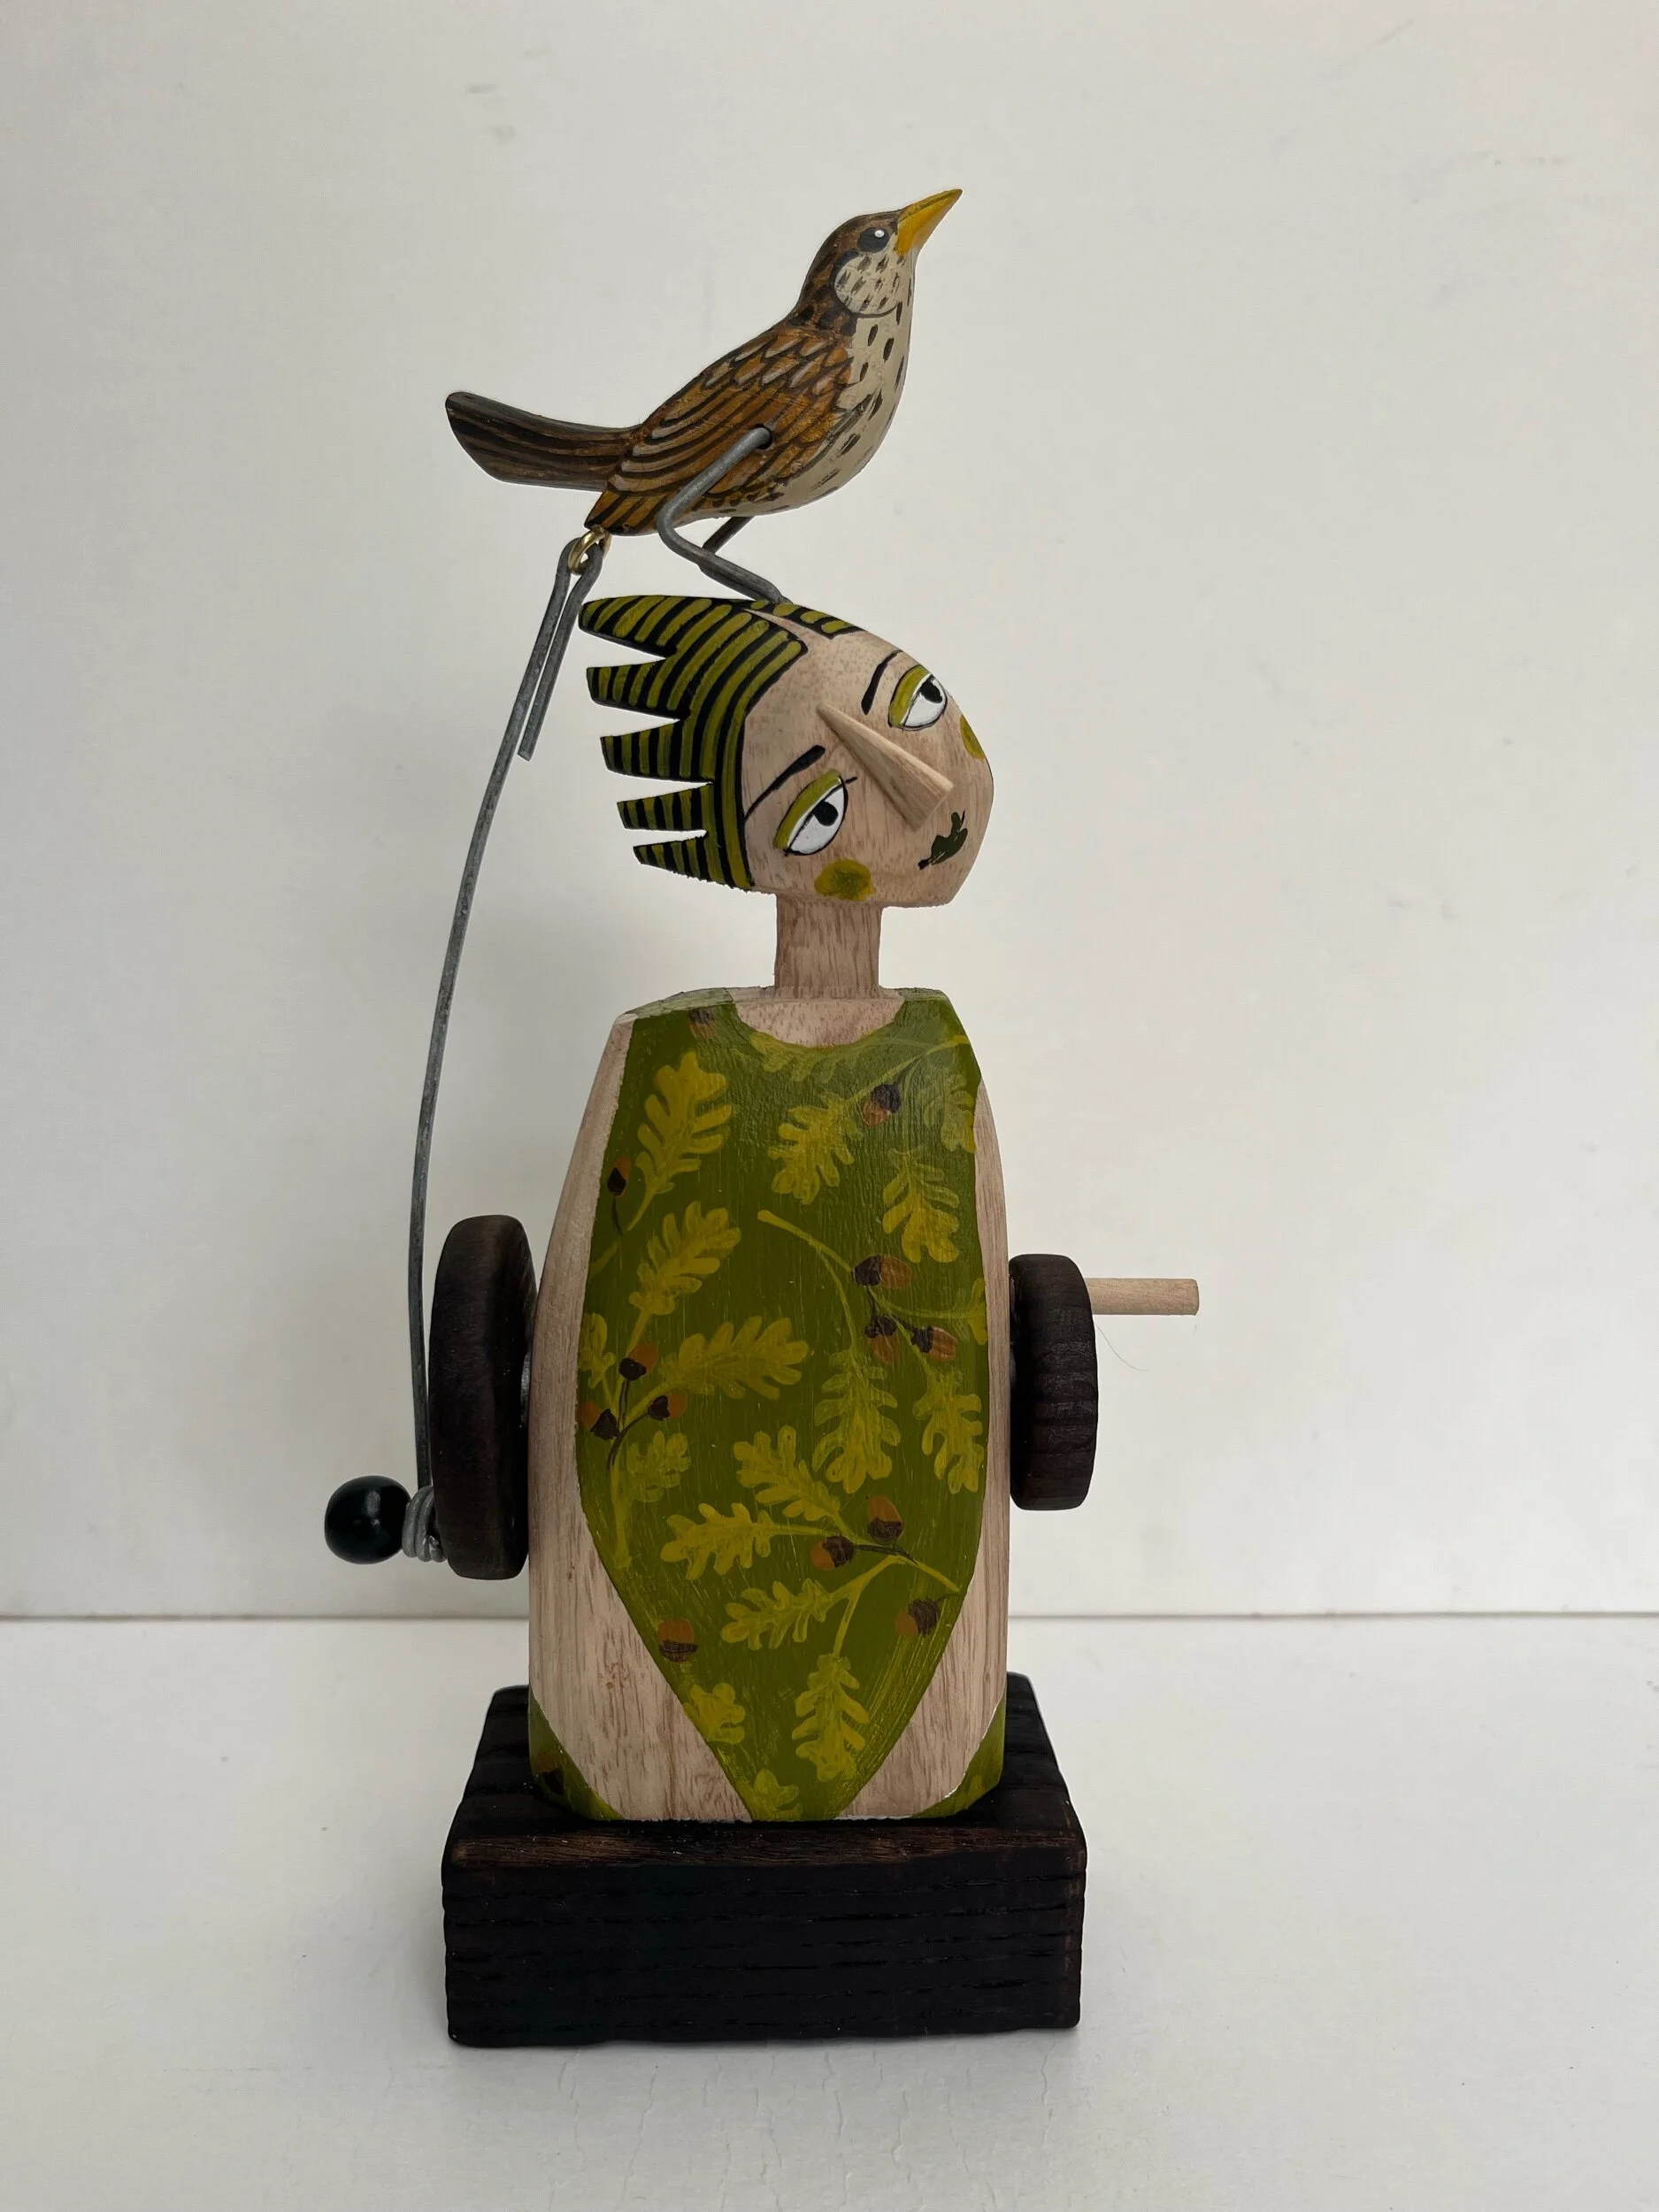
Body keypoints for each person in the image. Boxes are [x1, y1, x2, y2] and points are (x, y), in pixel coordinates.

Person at [527, 592, 1010, 1822]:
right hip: (644, 1564)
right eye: (820, 810)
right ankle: (642, 1744)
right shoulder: (661, 1061)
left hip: (913, 1544)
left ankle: (888, 1752)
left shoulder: (935, 1062)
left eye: (913, 702)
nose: (919, 784)